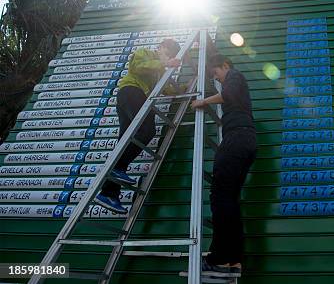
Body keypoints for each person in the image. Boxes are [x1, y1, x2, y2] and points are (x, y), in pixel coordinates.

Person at [94, 38, 183, 214]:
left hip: (133, 98)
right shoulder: (145, 53)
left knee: (125, 143)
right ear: (161, 47)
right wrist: (163, 62)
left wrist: (184, 89)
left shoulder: (158, 70)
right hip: (130, 92)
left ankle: (108, 194)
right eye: (168, 53)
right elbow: (137, 67)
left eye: (171, 56)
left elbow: (167, 90)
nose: (168, 58)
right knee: (147, 130)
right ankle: (118, 169)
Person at [191, 54, 257, 275]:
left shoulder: (234, 75)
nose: (217, 78)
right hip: (245, 140)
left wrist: (203, 101)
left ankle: (219, 257)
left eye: (216, 73)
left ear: (225, 66)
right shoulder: (235, 81)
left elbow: (227, 94)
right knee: (229, 200)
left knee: (220, 196)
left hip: (237, 138)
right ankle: (233, 260)